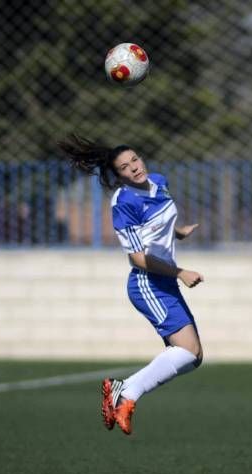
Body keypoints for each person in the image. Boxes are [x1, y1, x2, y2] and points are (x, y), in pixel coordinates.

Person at [57, 134, 204, 435]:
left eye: (135, 159)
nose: (134, 167)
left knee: (194, 357)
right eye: (125, 167)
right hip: (148, 283)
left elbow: (157, 225)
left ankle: (123, 391)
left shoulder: (159, 181)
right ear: (118, 174)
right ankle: (126, 392)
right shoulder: (123, 203)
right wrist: (180, 272)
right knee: (188, 351)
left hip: (164, 281)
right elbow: (137, 258)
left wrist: (177, 232)